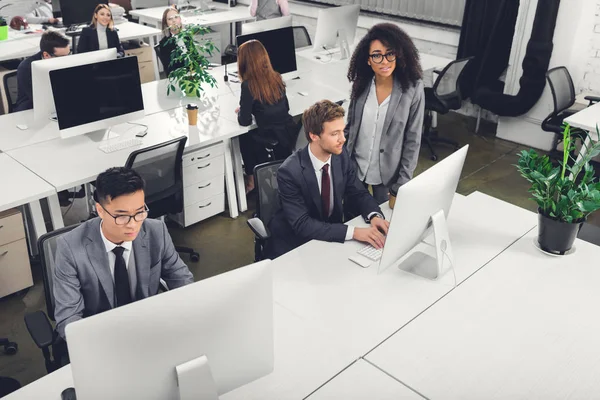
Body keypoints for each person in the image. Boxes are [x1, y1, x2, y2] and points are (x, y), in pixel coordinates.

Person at [53, 167, 194, 339]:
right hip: (100, 336)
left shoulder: (156, 232)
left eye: (140, 212)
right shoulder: (69, 248)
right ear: (100, 211)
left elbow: (182, 280)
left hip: (148, 329)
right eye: (122, 216)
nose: (133, 224)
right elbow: (69, 319)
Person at [264, 100, 390, 259]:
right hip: (297, 244)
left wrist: (374, 215)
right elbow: (302, 224)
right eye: (334, 133)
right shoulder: (289, 172)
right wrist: (354, 232)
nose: (343, 139)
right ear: (314, 136)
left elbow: (358, 192)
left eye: (342, 131)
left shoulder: (340, 155)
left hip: (331, 236)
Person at [344, 23, 425, 205]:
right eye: (377, 56)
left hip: (389, 178)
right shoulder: (361, 83)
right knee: (353, 221)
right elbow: (350, 128)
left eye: (390, 54)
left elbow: (413, 140)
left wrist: (401, 184)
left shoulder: (412, 88)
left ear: (398, 54)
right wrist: (341, 166)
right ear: (368, 59)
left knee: (384, 227)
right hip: (355, 171)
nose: (384, 61)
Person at [235, 39, 298, 193]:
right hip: (287, 135)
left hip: (269, 138)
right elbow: (286, 107)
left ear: (244, 62)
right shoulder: (276, 77)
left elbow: (245, 121)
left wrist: (243, 110)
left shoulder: (248, 85)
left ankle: (251, 180)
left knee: (243, 136)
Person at [14, 31, 70, 112]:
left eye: (68, 54)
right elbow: (37, 98)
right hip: (31, 108)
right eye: (62, 57)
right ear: (46, 55)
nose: (67, 60)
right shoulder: (26, 67)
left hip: (59, 105)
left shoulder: (67, 61)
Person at [158, 7, 184, 76]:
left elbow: (196, 58)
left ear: (180, 19)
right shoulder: (164, 44)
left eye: (176, 17)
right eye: (170, 19)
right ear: (166, 24)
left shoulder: (187, 37)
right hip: (180, 77)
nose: (174, 21)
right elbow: (170, 70)